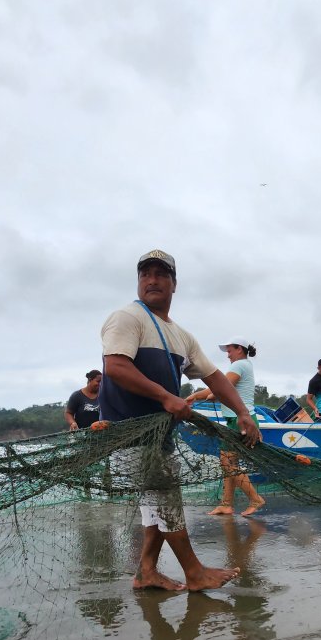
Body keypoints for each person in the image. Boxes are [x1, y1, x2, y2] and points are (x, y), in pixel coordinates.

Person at [100, 249, 257, 592]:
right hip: (130, 433)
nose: (152, 280)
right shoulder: (127, 318)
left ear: (174, 284)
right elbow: (116, 367)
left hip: (161, 435)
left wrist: (243, 413)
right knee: (165, 498)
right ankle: (194, 572)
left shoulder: (180, 336)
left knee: (156, 504)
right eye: (145, 274)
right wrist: (166, 396)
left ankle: (146, 572)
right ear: (139, 281)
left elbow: (214, 377)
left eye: (161, 274)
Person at [187, 337, 266, 517]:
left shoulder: (238, 366)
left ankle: (255, 499)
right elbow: (218, 387)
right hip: (238, 419)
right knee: (229, 463)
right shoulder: (246, 365)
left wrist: (209, 395)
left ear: (240, 349)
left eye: (230, 350)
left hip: (240, 421)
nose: (228, 355)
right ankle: (226, 504)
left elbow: (222, 388)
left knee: (228, 463)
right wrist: (194, 396)